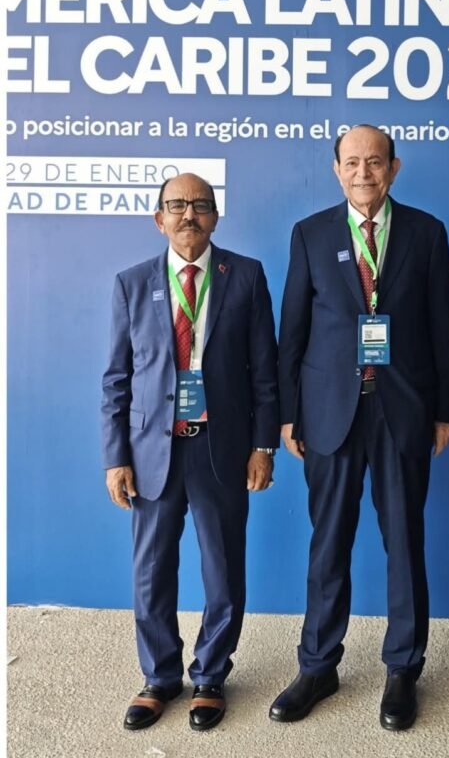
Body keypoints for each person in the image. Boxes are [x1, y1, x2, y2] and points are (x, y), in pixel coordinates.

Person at [271, 124, 449, 732]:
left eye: (374, 162)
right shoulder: (310, 234)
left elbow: (444, 329)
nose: (363, 173)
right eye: (352, 162)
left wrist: (446, 410)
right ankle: (317, 665)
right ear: (336, 170)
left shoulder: (427, 233)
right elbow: (292, 331)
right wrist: (288, 413)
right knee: (328, 543)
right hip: (329, 413)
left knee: (404, 542)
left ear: (393, 168)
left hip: (403, 410)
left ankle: (403, 668)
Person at [101, 172, 279, 732]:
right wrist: (115, 456)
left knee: (223, 569)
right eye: (176, 205)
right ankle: (159, 677)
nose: (188, 215)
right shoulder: (132, 284)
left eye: (200, 205)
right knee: (151, 572)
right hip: (151, 452)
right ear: (159, 219)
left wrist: (263, 445)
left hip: (219, 449)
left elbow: (265, 372)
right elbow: (117, 379)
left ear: (215, 217)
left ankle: (210, 676)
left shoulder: (245, 276)